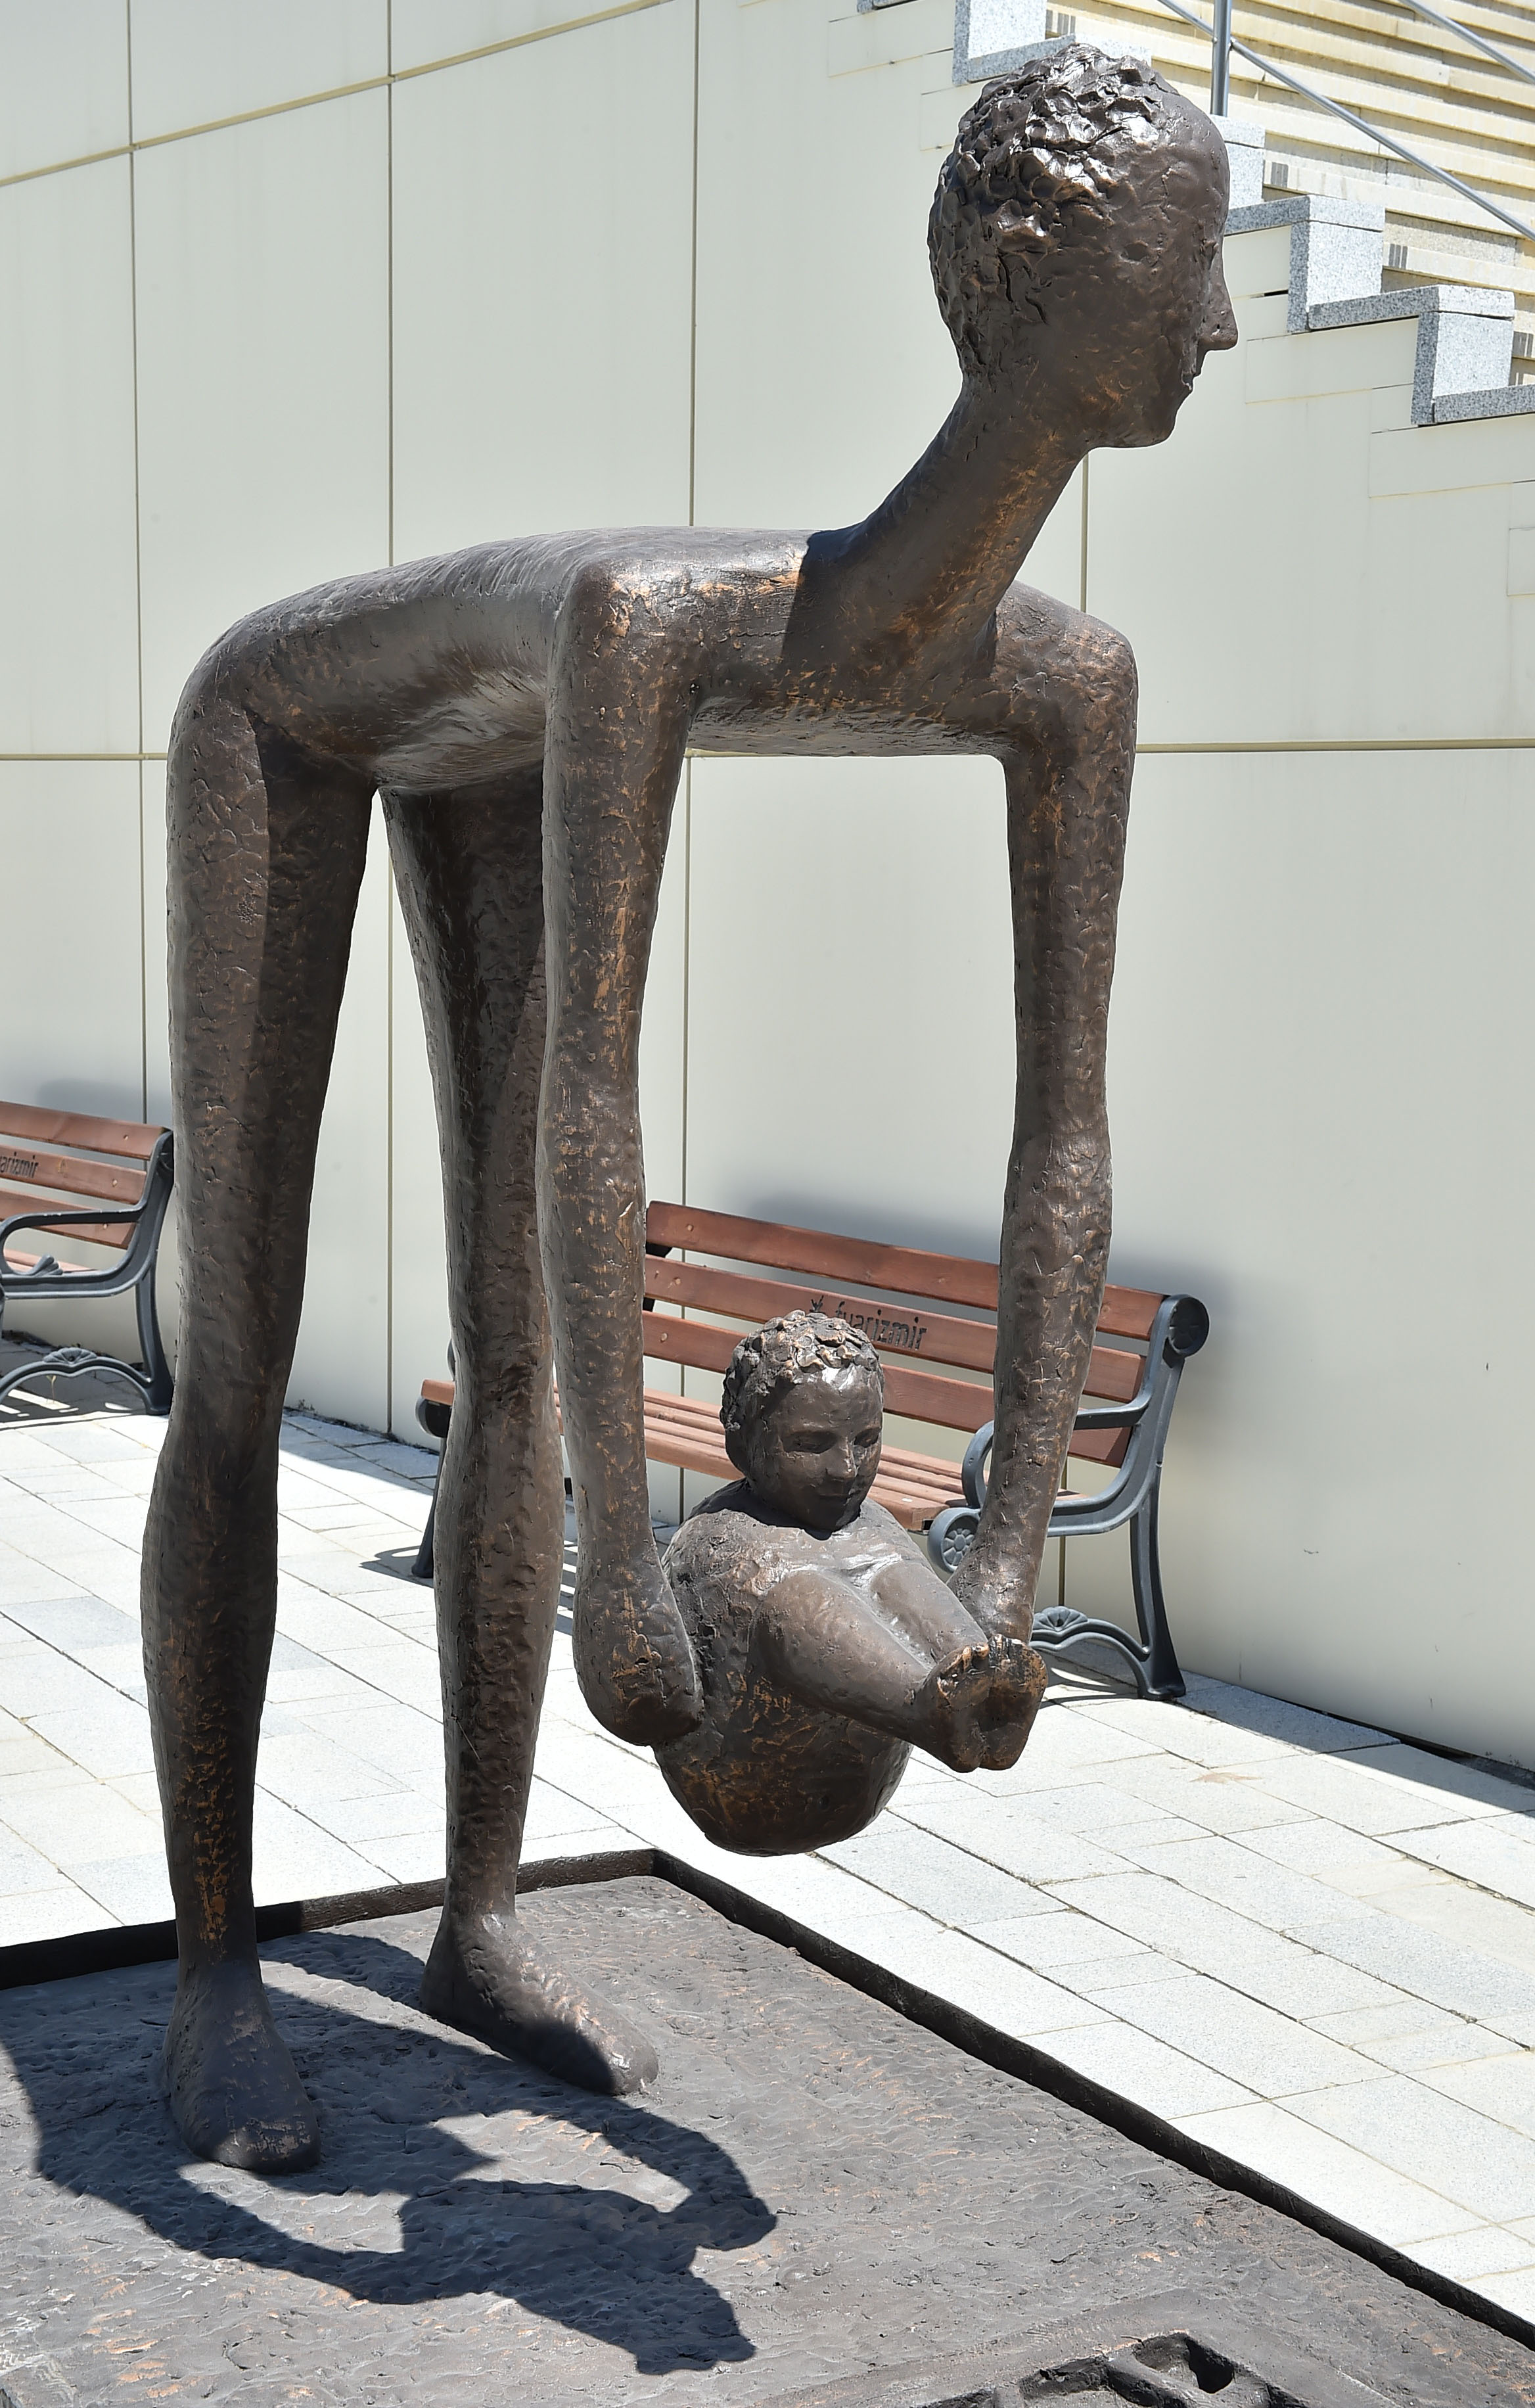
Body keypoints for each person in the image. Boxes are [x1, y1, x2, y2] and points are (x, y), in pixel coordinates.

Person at [139, 44, 1237, 2170]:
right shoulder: (656, 625)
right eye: (1182, 260)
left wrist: (1009, 1567)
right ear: (1033, 272)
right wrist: (624, 1588)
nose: (1213, 318)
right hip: (294, 728)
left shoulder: (1067, 681)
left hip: (500, 740)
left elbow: (1065, 1133)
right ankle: (210, 1973)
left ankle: (475, 1927)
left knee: (517, 1356)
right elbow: (596, 1077)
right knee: (244, 1359)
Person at [656, 1313, 1046, 1855]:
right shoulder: (717, 1541)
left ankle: (981, 1682)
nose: (845, 1469)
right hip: (751, 1793)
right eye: (810, 1444)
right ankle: (926, 1706)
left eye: (866, 1440)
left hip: (855, 1792)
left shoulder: (872, 1521)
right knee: (797, 1596)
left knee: (896, 1573)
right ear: (742, 1445)